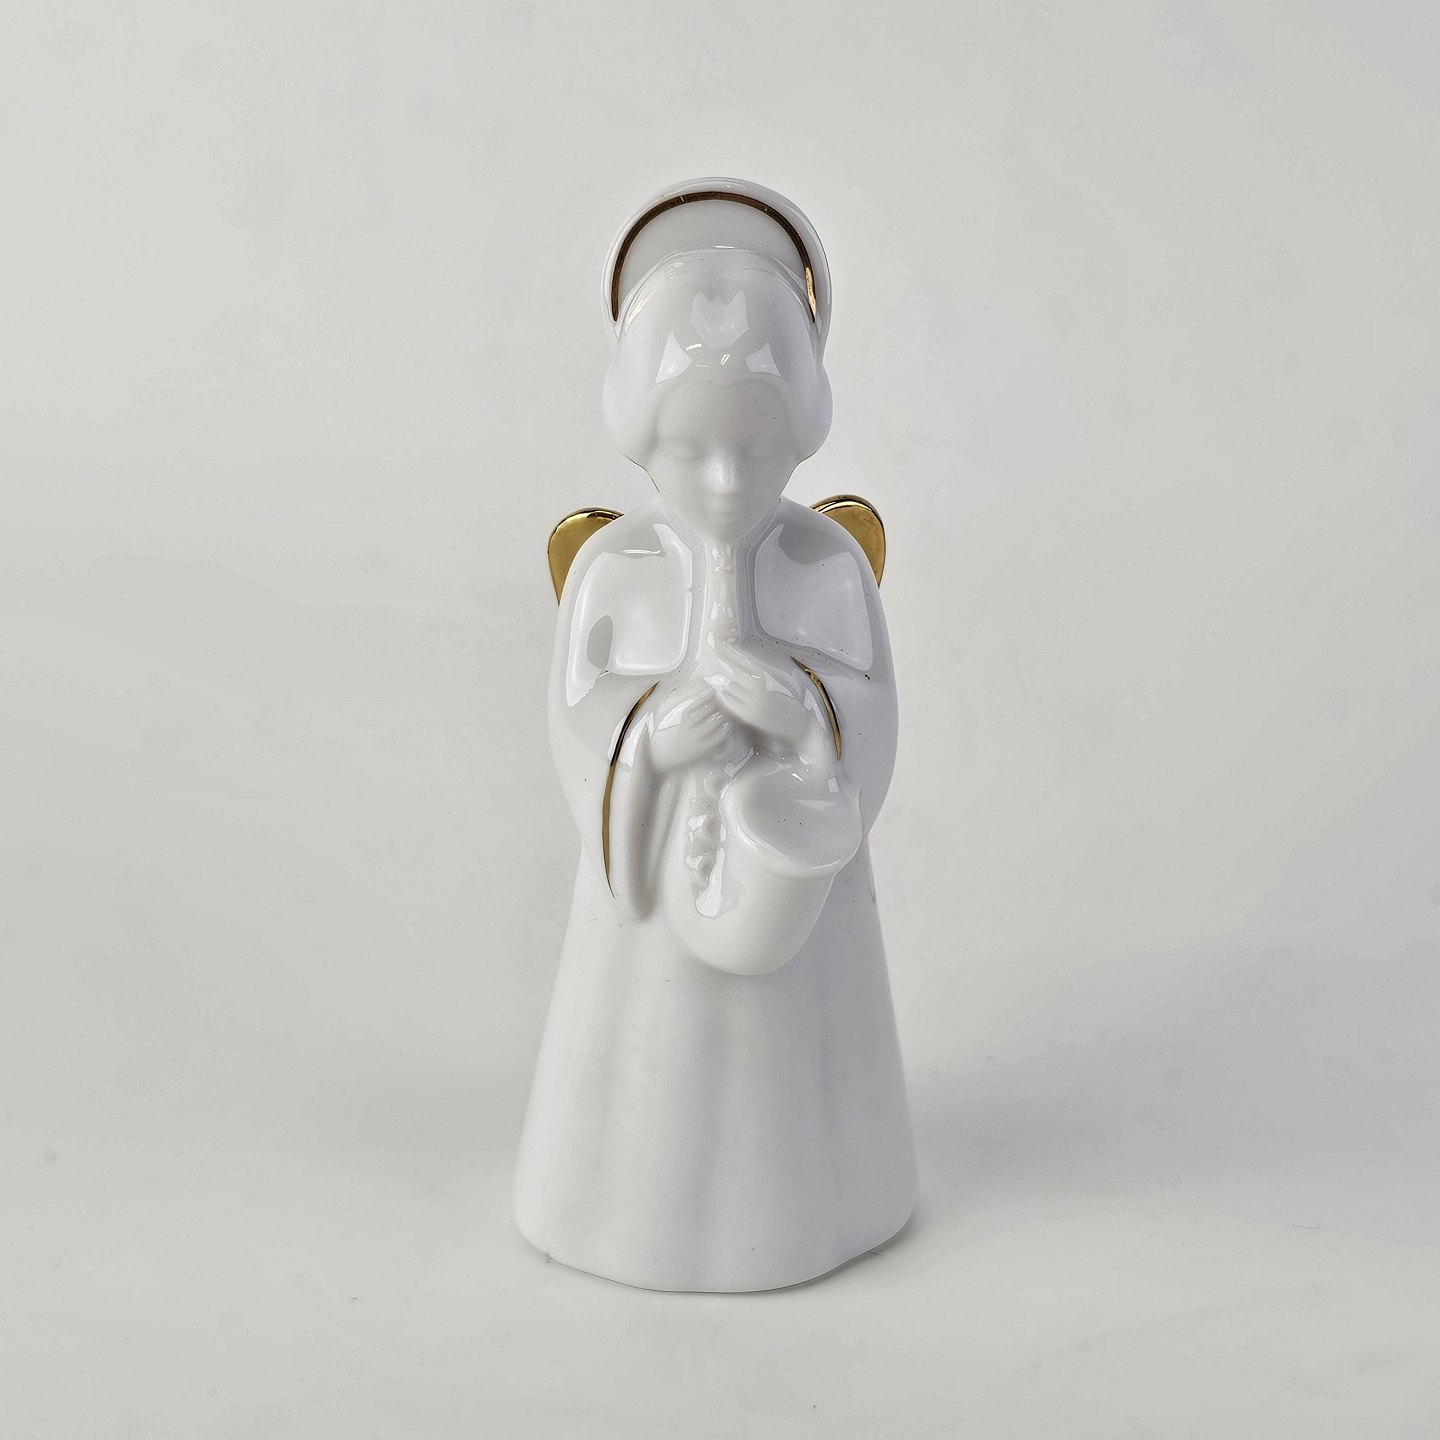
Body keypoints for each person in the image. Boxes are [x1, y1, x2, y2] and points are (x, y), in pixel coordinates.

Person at [514, 179, 915, 1292]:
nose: (729, 481)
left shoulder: (824, 564)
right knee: (648, 1048)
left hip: (794, 903)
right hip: (651, 892)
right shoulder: (616, 569)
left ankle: (825, 1195)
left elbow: (873, 708)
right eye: (693, 451)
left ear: (805, 430)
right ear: (640, 434)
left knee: (795, 1051)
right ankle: (618, 1204)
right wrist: (646, 740)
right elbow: (575, 711)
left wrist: (810, 720)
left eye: (759, 446)